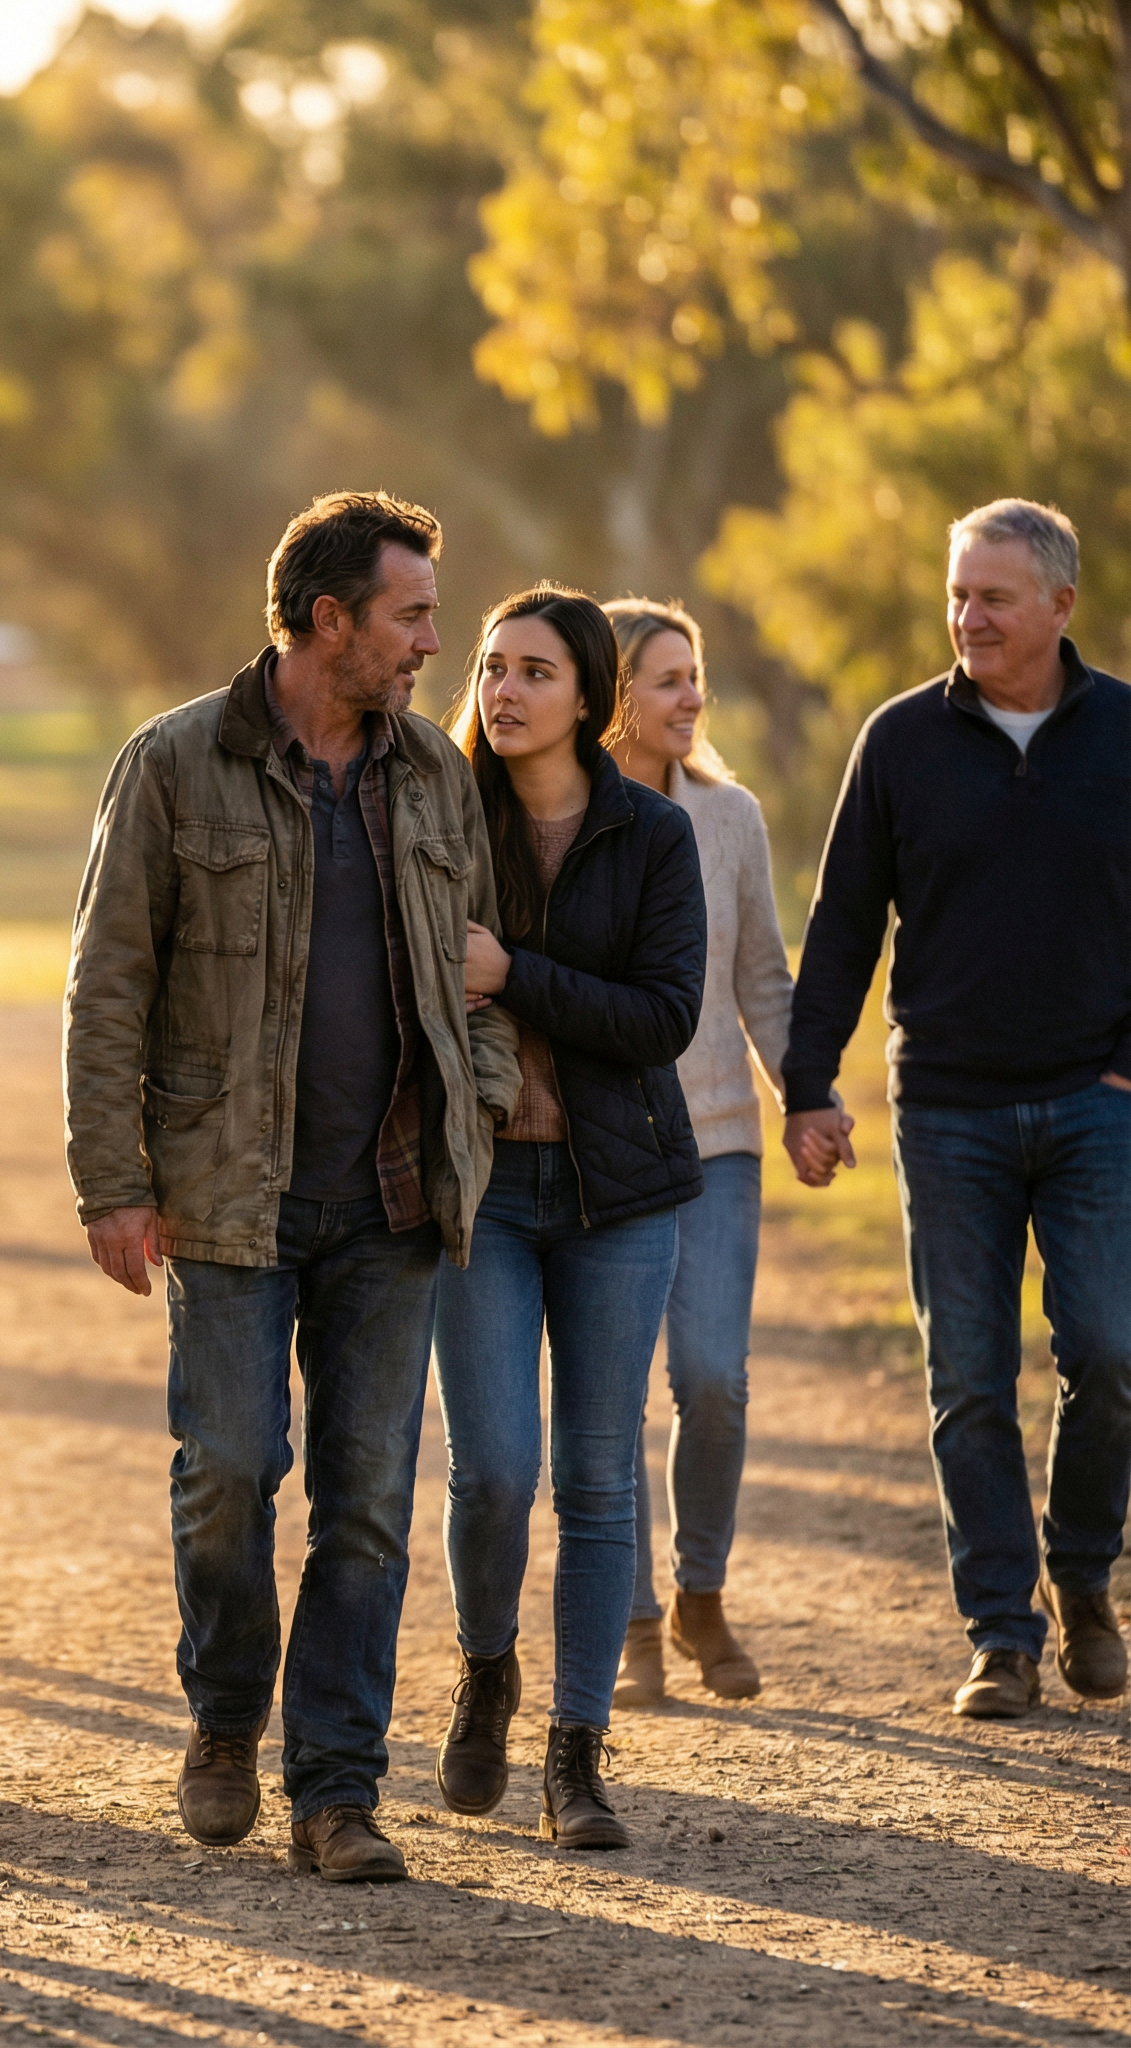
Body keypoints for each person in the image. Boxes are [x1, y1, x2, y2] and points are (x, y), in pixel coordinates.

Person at [65, 492, 522, 1883]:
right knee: (228, 1476)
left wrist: (482, 1111)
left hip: (393, 1198)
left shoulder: (437, 776)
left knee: (368, 1501)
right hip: (227, 1194)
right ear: (330, 623)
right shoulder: (173, 763)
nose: (434, 641)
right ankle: (222, 1723)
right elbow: (108, 986)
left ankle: (336, 1790)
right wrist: (110, 1181)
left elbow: (481, 974)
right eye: (411, 616)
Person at [784, 498, 1131, 1721]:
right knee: (967, 1376)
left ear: (1057, 605)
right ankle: (1001, 1630)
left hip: (1096, 1102)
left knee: (1109, 1349)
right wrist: (808, 1083)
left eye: (991, 596)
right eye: (955, 594)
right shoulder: (898, 742)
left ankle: (1083, 1573)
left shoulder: (1122, 732)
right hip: (945, 1106)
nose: (965, 617)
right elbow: (838, 923)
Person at [431, 586, 705, 1851]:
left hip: (618, 1195)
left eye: (534, 670)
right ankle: (487, 1668)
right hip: (479, 1188)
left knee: (597, 1479)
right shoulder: (441, 813)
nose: (503, 689)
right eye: (490, 666)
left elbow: (662, 1018)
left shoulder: (651, 832)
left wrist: (514, 976)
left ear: (587, 696)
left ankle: (575, 1754)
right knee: (492, 1471)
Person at [602, 599, 830, 1708]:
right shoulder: (562, 814)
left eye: (693, 677)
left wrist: (806, 1098)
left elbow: (762, 982)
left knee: (710, 1376)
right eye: (664, 679)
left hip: (718, 1139)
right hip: (601, 1147)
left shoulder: (730, 817)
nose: (690, 697)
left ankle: (699, 1593)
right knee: (611, 1394)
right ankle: (634, 1618)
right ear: (613, 698)